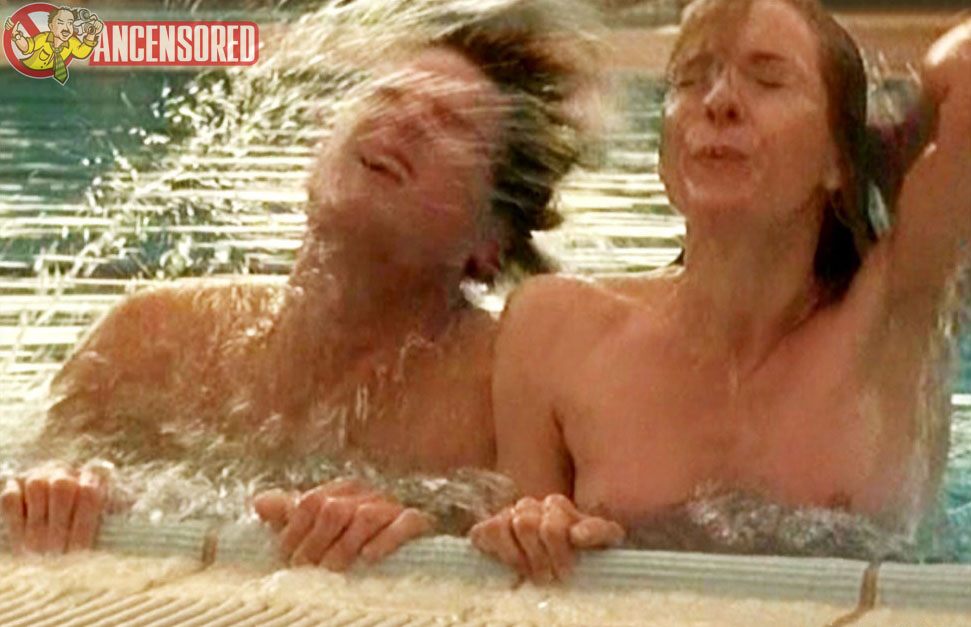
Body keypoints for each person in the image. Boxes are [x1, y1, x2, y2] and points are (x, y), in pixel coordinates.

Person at [0, 0, 593, 566]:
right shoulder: (152, 341)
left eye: (450, 124)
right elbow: (38, 471)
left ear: (490, 241)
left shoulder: (508, 397)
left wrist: (431, 531)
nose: (404, 120)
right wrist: (54, 490)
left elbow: (559, 542)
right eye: (387, 95)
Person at [471, 0, 971, 582]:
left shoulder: (894, 317)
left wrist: (884, 154)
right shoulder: (555, 332)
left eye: (769, 81)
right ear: (664, 158)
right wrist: (532, 529)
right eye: (691, 79)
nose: (720, 101)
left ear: (837, 160)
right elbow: (517, 592)